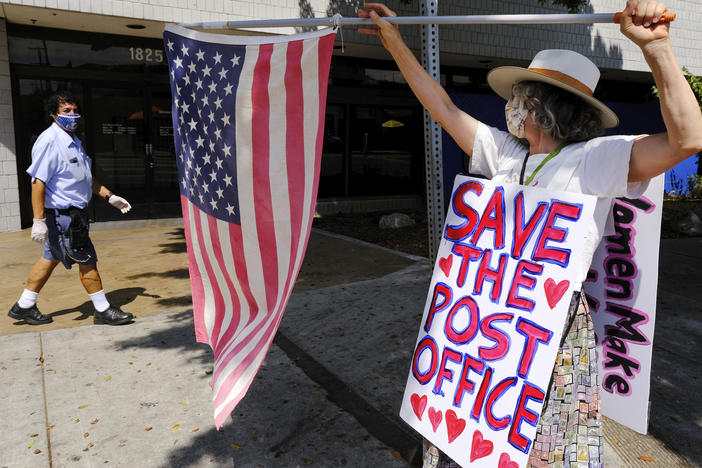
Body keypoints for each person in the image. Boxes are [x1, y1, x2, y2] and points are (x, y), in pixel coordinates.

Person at [359, 1, 702, 467]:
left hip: (550, 329)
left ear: (542, 107)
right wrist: (395, 43)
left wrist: (658, 49)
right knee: (476, 419)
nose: (510, 107)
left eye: (518, 98)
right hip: (486, 322)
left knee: (544, 440)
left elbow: (686, 139)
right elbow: (441, 106)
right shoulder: (504, 153)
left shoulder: (594, 159)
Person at [8, 92, 135, 326]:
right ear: (53, 114)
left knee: (50, 258)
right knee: (87, 258)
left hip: (73, 215)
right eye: (66, 111)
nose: (73, 115)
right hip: (65, 217)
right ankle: (102, 309)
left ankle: (24, 305)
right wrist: (38, 220)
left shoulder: (74, 141)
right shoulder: (50, 140)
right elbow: (38, 183)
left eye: (75, 110)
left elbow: (84, 177)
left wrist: (109, 196)